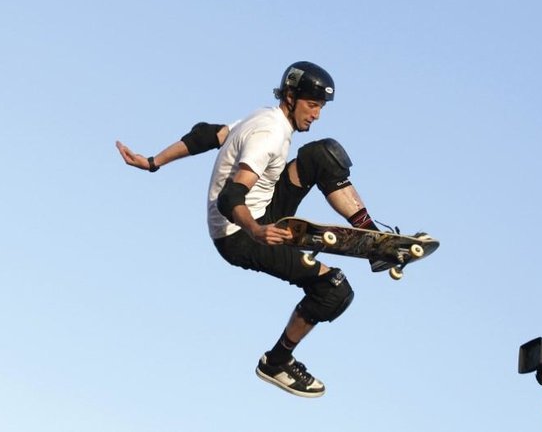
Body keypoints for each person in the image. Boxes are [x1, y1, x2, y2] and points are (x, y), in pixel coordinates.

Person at [117, 61, 388, 398]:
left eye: (321, 107)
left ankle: (374, 239)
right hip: (240, 234)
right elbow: (230, 197)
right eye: (312, 105)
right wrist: (257, 231)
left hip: (264, 208)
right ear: (291, 97)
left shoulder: (264, 116)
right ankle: (277, 362)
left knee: (323, 155)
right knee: (334, 290)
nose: (316, 115)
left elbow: (207, 135)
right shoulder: (269, 136)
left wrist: (154, 162)